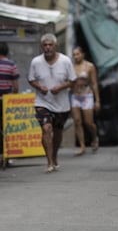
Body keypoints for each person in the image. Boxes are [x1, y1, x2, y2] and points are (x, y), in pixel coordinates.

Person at [28, 33, 76, 173]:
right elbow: (31, 79)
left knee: (57, 133)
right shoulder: (36, 62)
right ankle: (49, 162)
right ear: (42, 46)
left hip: (61, 105)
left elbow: (73, 81)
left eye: (50, 45)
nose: (48, 47)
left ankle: (54, 156)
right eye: (45, 45)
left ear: (55, 46)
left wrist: (60, 88)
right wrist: (39, 87)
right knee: (46, 128)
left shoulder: (65, 61)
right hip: (42, 102)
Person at [71, 46, 100, 155]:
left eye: (77, 54)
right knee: (77, 121)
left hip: (87, 95)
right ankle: (82, 146)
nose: (76, 56)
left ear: (83, 54)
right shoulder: (71, 66)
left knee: (89, 123)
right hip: (75, 96)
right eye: (74, 54)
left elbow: (94, 83)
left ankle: (94, 138)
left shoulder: (89, 66)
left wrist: (97, 100)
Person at [0, 42, 20, 165]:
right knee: (6, 129)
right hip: (6, 102)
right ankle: (5, 157)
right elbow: (16, 87)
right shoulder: (11, 65)